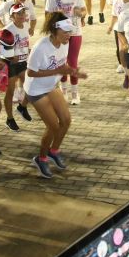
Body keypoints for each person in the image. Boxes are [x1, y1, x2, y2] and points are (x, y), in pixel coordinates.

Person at [25, 12, 86, 178]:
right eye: (65, 31)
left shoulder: (64, 43)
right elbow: (30, 72)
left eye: (70, 31)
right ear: (54, 30)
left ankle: (53, 150)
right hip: (36, 91)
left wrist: (72, 71)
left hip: (51, 85)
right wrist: (57, 70)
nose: (69, 34)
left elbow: (61, 63)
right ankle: (41, 158)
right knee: (53, 127)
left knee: (66, 121)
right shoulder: (41, 48)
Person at [45, 0, 87, 104]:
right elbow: (47, 15)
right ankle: (63, 91)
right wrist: (55, 15)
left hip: (75, 31)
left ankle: (75, 93)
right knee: (61, 62)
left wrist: (80, 13)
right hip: (59, 33)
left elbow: (83, 10)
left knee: (72, 62)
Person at [1, 4, 32, 131]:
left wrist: (28, 51)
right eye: (18, 13)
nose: (21, 16)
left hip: (23, 62)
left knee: (32, 86)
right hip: (11, 64)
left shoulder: (26, 25)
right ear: (12, 16)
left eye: (23, 13)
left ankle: (22, 107)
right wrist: (10, 57)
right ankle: (9, 119)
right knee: (10, 92)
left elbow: (24, 43)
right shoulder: (7, 30)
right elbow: (0, 48)